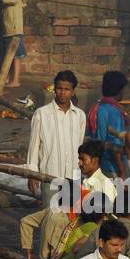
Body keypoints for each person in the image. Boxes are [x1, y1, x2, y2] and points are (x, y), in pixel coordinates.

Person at [26, 70, 87, 208]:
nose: (62, 92)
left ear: (73, 91)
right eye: (59, 88)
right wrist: (32, 173)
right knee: (49, 218)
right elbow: (34, 146)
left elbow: (79, 146)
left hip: (73, 177)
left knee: (70, 221)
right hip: (49, 176)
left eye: (67, 89)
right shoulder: (42, 114)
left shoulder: (80, 116)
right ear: (54, 89)